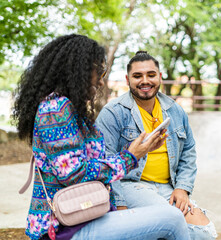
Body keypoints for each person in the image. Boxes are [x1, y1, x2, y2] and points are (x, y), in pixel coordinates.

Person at [12, 34, 190, 240]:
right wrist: (131, 156)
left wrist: (140, 151)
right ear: (80, 70)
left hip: (87, 216)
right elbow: (72, 174)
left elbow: (92, 164)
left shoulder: (71, 109)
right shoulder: (55, 109)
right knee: (172, 218)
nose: (102, 80)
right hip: (65, 228)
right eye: (100, 72)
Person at [96, 51, 217, 240]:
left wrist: (183, 189)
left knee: (204, 232)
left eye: (151, 75)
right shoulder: (113, 113)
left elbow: (188, 152)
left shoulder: (175, 110)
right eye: (137, 76)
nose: (145, 80)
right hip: (132, 185)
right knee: (170, 222)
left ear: (159, 77)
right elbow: (105, 161)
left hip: (168, 187)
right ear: (128, 80)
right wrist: (119, 205)